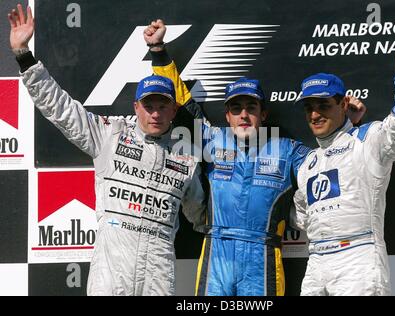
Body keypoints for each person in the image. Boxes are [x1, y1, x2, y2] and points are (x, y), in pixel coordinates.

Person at [144, 20, 365, 296]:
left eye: (251, 107)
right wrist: (158, 51)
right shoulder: (211, 140)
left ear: (264, 114)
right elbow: (183, 106)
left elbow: (330, 162)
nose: (244, 114)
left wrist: (348, 126)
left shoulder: (288, 150)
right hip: (217, 252)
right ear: (227, 116)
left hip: (263, 257)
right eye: (236, 108)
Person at [8, 4, 206, 296]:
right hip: (111, 275)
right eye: (148, 105)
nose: (155, 113)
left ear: (173, 109)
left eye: (162, 105)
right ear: (135, 107)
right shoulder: (110, 134)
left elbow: (202, 216)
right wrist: (24, 56)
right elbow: (61, 109)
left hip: (159, 277)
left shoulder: (186, 157)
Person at [292, 33, 395, 296]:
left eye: (323, 105)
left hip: (358, 258)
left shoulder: (367, 139)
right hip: (316, 262)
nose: (314, 114)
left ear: (343, 103)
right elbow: (302, 216)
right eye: (309, 107)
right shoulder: (308, 162)